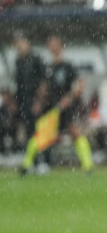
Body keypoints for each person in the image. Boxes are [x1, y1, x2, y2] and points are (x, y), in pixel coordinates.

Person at [20, 35, 95, 174]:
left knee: (75, 133)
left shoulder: (68, 66)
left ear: (60, 46)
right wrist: (39, 102)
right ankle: (25, 165)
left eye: (54, 43)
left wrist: (69, 98)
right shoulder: (48, 68)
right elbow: (43, 87)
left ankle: (88, 165)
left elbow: (79, 85)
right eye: (50, 44)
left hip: (66, 107)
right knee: (41, 135)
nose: (51, 46)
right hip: (52, 107)